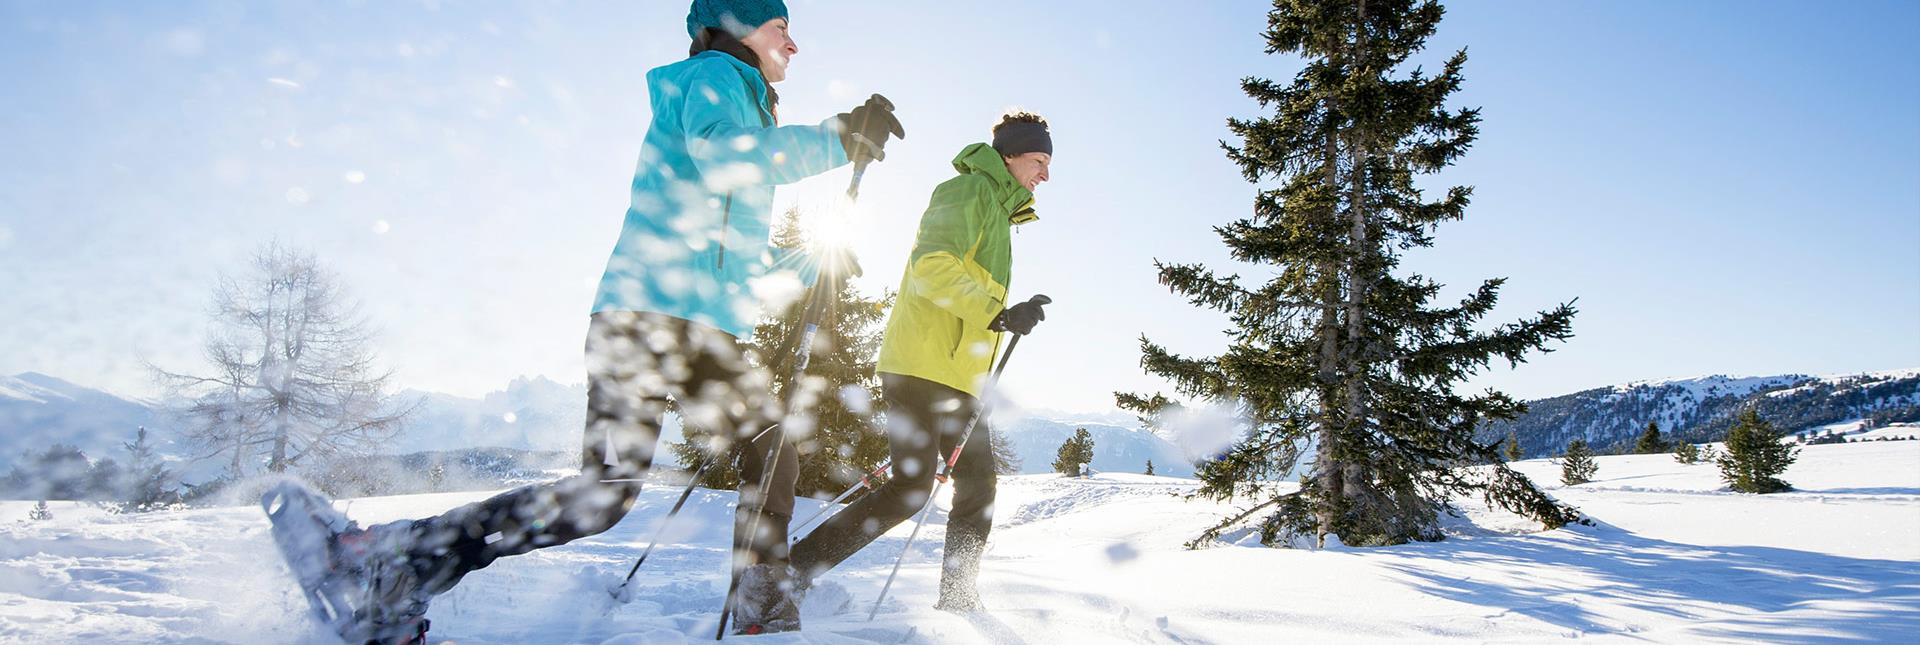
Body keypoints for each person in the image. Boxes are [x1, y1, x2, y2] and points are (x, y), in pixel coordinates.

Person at [260, 1, 905, 641]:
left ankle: (401, 564)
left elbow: (727, 255)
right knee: (745, 463)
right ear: (740, 29)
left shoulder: (739, 99)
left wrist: (810, 262)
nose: (793, 46)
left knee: (637, 490)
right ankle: (763, 612)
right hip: (653, 322)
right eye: (781, 29)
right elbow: (726, 157)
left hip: (682, 324)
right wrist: (834, 137)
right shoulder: (712, 77)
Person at [788, 111, 1053, 615]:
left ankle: (958, 596)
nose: (1045, 175)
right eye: (1039, 161)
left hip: (955, 376)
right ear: (1010, 156)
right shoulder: (968, 192)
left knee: (977, 486)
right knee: (911, 489)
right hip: (921, 367)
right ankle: (793, 570)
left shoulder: (997, 212)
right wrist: (997, 312)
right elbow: (932, 266)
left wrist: (1007, 318)